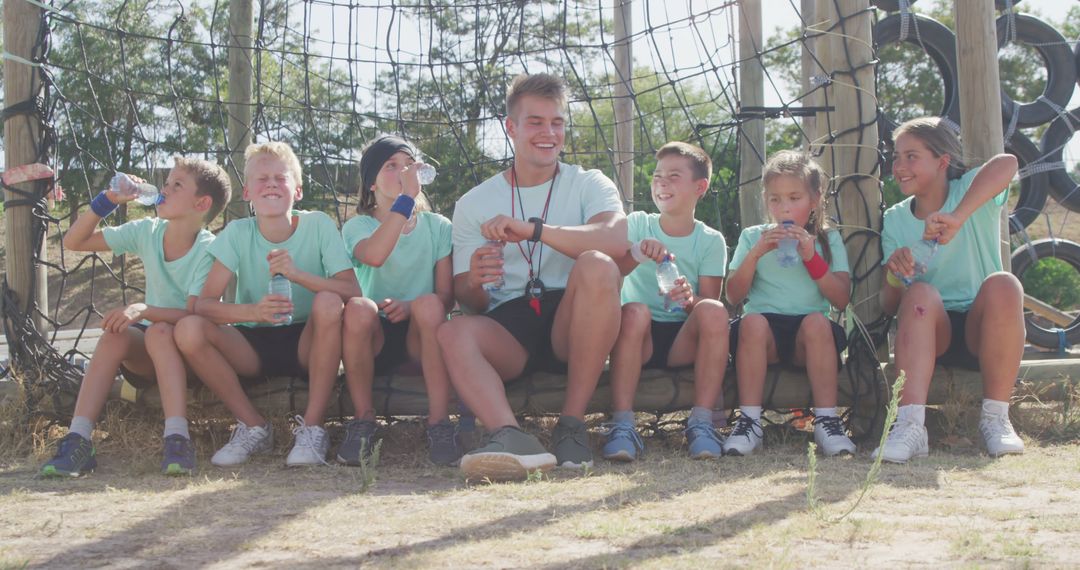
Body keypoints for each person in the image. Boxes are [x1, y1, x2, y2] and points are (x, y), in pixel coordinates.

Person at [437, 73, 627, 481]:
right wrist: (474, 279)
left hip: (572, 317)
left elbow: (615, 239)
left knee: (597, 263)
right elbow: (470, 301)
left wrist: (534, 230)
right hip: (511, 323)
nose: (548, 132)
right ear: (512, 128)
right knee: (453, 332)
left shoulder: (589, 183)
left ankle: (572, 425)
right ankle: (510, 437)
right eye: (536, 122)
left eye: (556, 122)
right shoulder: (474, 202)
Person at [41, 157, 231, 477]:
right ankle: (78, 439)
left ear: (202, 203)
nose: (165, 189)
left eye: (176, 185)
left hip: (193, 355)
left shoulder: (211, 249)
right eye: (166, 182)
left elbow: (197, 312)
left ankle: (177, 438)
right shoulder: (149, 231)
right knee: (114, 334)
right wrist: (106, 202)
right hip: (151, 354)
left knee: (158, 331)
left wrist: (143, 309)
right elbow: (74, 241)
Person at [173, 141, 360, 467]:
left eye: (280, 177)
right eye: (262, 178)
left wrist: (297, 274)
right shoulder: (236, 232)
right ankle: (254, 427)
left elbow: (351, 289)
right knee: (189, 329)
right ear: (247, 192)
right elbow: (202, 304)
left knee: (330, 302)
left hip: (308, 340)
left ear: (297, 190)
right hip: (252, 342)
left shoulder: (318, 225)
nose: (271, 183)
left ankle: (314, 428)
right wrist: (253, 311)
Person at [874, 117, 1024, 463]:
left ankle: (996, 419)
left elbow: (1008, 163)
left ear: (942, 161)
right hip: (930, 337)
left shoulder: (969, 192)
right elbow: (888, 302)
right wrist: (896, 275)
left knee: (1004, 283)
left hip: (982, 331)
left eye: (912, 156)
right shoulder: (896, 219)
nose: (899, 167)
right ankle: (910, 426)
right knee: (920, 294)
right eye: (896, 157)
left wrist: (957, 216)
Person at [601, 142, 730, 461]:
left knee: (714, 311)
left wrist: (689, 300)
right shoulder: (636, 224)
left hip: (681, 342)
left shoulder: (711, 241)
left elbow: (707, 311)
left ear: (700, 187)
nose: (662, 182)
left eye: (674, 176)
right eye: (658, 175)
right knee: (635, 311)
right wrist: (635, 254)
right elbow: (607, 275)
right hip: (636, 338)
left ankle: (701, 423)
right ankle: (622, 426)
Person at [724, 150, 856, 457]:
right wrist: (755, 254)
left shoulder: (828, 241)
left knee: (816, 322)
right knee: (752, 321)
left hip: (809, 338)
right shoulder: (752, 237)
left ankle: (827, 421)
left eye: (794, 198)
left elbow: (840, 298)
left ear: (814, 199)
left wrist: (811, 257)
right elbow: (733, 295)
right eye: (775, 199)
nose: (784, 207)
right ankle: (750, 422)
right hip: (762, 338)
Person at [339, 135, 459, 466]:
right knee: (359, 308)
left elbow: (446, 296)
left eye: (408, 165)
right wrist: (405, 200)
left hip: (422, 336)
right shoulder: (357, 226)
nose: (403, 172)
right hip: (374, 338)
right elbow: (375, 256)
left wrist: (410, 306)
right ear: (371, 183)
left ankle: (439, 422)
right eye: (391, 166)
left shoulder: (437, 227)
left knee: (430, 304)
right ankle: (363, 420)